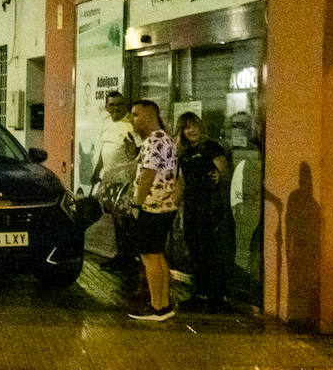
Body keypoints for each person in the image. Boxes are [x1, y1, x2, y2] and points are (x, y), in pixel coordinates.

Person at [174, 112, 234, 311]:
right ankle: (200, 293)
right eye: (186, 128)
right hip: (192, 206)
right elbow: (181, 182)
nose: (191, 131)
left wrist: (219, 176)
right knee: (195, 249)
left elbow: (224, 174)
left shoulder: (211, 148)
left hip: (210, 206)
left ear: (201, 127)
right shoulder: (184, 154)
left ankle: (217, 297)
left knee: (211, 251)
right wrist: (174, 205)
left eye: (194, 126)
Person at [126, 99, 179, 321]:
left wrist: (136, 204)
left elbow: (148, 174)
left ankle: (157, 307)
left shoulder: (156, 141)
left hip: (152, 208)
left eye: (136, 115)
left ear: (149, 115)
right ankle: (164, 304)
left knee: (149, 257)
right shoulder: (166, 140)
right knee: (158, 256)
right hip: (165, 207)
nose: (132, 119)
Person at [91, 91, 139, 273]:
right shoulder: (106, 124)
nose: (115, 108)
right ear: (107, 107)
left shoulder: (130, 125)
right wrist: (97, 172)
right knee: (116, 219)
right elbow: (105, 150)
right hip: (110, 179)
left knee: (125, 221)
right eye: (112, 105)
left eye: (119, 104)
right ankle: (120, 256)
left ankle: (128, 259)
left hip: (126, 180)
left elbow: (136, 154)